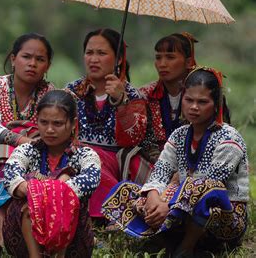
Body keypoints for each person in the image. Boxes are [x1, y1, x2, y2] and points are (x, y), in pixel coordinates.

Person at [102, 67, 249, 257]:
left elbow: (208, 184)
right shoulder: (180, 134)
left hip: (223, 218)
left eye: (202, 102)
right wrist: (155, 197)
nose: (194, 107)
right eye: (189, 100)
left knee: (203, 187)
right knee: (126, 192)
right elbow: (160, 172)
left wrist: (168, 203)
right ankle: (167, 241)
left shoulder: (229, 139)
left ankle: (185, 248)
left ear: (215, 105)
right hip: (179, 206)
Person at [3, 90, 101, 257]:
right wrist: (40, 195)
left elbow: (91, 179)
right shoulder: (27, 150)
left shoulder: (86, 155)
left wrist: (50, 194)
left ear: (72, 124)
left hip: (73, 243)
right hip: (24, 236)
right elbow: (10, 174)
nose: (49, 129)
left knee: (63, 197)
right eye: (43, 122)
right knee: (31, 207)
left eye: (57, 123)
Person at [0, 33, 54, 244]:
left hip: (34, 152)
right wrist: (23, 141)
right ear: (13, 59)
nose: (32, 64)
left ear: (47, 65)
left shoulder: (50, 94)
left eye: (40, 59)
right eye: (26, 56)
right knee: (3, 152)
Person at [66, 28, 146, 220]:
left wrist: (121, 102)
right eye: (89, 53)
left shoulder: (133, 96)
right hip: (74, 157)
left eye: (101, 53)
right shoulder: (71, 92)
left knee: (93, 162)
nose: (93, 59)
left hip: (113, 162)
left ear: (118, 59)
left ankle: (105, 213)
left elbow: (133, 139)